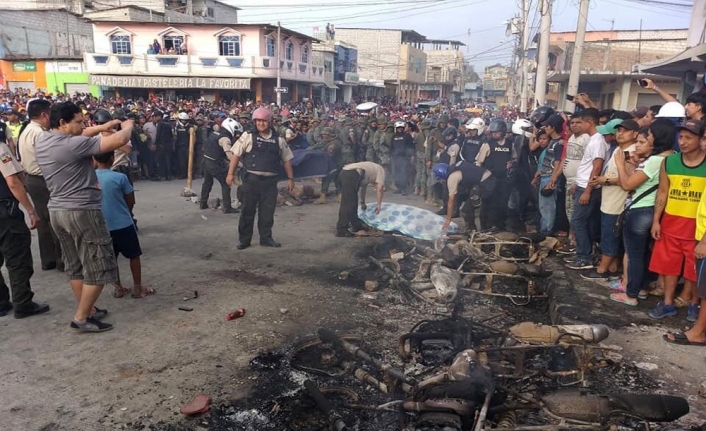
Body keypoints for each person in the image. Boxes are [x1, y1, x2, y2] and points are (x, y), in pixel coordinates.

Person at [36, 101, 134, 333]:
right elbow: (119, 141)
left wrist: (103, 126)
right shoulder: (72, 145)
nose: (84, 126)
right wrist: (127, 126)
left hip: (57, 211)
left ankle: (88, 309)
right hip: (82, 211)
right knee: (100, 264)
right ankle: (81, 317)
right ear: (62, 122)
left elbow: (83, 134)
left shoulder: (45, 140)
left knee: (76, 266)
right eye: (79, 122)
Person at [610, 121, 675, 306]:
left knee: (634, 255)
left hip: (640, 210)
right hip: (653, 211)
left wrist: (621, 164)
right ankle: (643, 288)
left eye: (651, 135)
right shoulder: (672, 157)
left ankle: (631, 294)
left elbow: (627, 184)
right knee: (645, 254)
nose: (648, 138)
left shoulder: (655, 161)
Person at [648, 119, 706, 321]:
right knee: (668, 265)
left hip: (696, 226)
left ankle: (693, 303)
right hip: (670, 222)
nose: (683, 141)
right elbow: (663, 192)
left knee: (693, 268)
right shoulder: (669, 162)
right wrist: (657, 220)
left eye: (689, 137)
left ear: (700, 140)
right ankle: (667, 303)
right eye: (680, 137)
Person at [226, 107, 294, 250]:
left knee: (267, 212)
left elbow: (287, 160)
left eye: (264, 121)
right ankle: (244, 240)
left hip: (270, 183)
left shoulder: (279, 140)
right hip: (251, 181)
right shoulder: (248, 136)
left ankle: (266, 238)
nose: (261, 124)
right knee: (247, 211)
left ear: (270, 122)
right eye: (258, 121)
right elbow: (236, 155)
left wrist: (290, 178)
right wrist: (230, 174)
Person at [0, 138, 49, 319]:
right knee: (17, 258)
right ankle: (23, 303)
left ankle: (1, 302)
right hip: (5, 213)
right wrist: (30, 210)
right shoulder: (0, 149)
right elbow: (12, 181)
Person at [584, 119, 638, 280]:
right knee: (609, 235)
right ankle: (613, 267)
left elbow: (627, 180)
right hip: (609, 200)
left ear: (635, 134)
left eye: (625, 130)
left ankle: (602, 270)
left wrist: (604, 180)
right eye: (619, 130)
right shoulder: (618, 150)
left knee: (610, 236)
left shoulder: (631, 153)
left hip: (618, 203)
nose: (620, 133)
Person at [93, 152, 150, 299]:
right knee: (134, 255)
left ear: (94, 159)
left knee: (112, 258)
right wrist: (126, 211)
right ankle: (138, 288)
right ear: (112, 159)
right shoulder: (120, 177)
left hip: (102, 225)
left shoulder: (90, 179)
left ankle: (118, 288)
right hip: (123, 223)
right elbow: (131, 201)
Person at [17, 98, 64, 271]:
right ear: (44, 114)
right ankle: (62, 259)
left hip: (31, 178)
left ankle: (49, 259)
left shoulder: (26, 130)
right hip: (43, 179)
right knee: (55, 220)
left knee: (43, 221)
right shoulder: (42, 133)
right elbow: (52, 158)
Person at [564, 109, 607, 270]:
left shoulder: (597, 141)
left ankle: (584, 256)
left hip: (589, 188)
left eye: (581, 122)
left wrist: (588, 190)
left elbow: (597, 167)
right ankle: (584, 254)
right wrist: (578, 182)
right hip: (582, 184)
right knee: (584, 222)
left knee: (578, 221)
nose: (578, 125)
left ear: (589, 123)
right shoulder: (593, 140)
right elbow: (587, 165)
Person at [475, 119, 516, 231]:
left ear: (503, 131)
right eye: (492, 132)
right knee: (487, 203)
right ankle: (484, 227)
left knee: (501, 203)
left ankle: (499, 226)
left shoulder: (509, 144)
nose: (494, 134)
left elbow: (514, 158)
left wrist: (511, 163)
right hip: (489, 179)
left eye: (496, 132)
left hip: (503, 180)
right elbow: (479, 162)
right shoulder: (487, 144)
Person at [558, 115, 590, 254]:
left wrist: (578, 182)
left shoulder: (587, 139)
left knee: (576, 216)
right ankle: (572, 241)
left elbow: (588, 164)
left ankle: (577, 244)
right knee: (569, 212)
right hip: (569, 180)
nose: (575, 125)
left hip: (578, 182)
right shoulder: (571, 138)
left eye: (579, 122)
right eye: (573, 123)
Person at [200, 118, 240, 214]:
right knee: (225, 183)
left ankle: (203, 203)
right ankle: (227, 207)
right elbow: (229, 155)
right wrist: (240, 164)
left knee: (207, 183)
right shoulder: (225, 139)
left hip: (206, 160)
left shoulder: (215, 133)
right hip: (214, 163)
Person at [336, 161, 385, 237]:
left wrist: (363, 202)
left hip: (344, 172)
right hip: (351, 174)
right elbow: (380, 188)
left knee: (353, 201)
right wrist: (379, 204)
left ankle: (356, 225)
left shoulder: (370, 170)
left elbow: (363, 188)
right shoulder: (381, 170)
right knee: (348, 203)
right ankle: (341, 229)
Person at [439, 160, 492, 232]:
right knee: (483, 208)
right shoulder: (456, 166)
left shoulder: (452, 177)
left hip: (486, 184)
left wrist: (448, 220)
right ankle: (483, 229)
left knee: (466, 210)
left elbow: (451, 201)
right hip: (489, 178)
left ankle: (472, 231)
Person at [390, 120, 416, 195]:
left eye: (401, 128)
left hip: (405, 158)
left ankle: (404, 189)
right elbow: (391, 147)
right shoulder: (393, 136)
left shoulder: (407, 136)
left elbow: (412, 146)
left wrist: (412, 156)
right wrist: (390, 155)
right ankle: (399, 187)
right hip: (396, 158)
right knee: (397, 173)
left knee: (404, 172)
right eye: (398, 128)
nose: (400, 129)